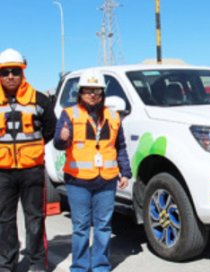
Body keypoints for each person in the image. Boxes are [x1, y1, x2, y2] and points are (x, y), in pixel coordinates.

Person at [53, 70, 131, 272]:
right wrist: (62, 137)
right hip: (78, 180)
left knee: (103, 226)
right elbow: (59, 144)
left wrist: (126, 172)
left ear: (102, 92)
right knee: (80, 227)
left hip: (106, 179)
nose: (93, 94)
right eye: (88, 90)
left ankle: (100, 265)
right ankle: (79, 266)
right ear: (80, 92)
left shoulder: (113, 116)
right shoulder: (69, 114)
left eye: (97, 90)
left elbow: (120, 146)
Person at [0, 48, 56, 272]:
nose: (10, 76)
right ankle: (6, 263)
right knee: (4, 221)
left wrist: (30, 151)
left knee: (35, 219)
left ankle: (36, 263)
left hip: (31, 170)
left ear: (23, 72)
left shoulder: (39, 100)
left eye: (15, 71)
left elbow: (50, 129)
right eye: (5, 72)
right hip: (2, 172)